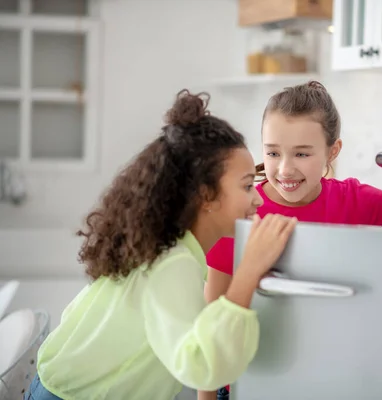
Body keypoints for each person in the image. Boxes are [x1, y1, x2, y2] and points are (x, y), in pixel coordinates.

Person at [24, 89, 297, 400]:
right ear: (205, 195)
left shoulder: (160, 247)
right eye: (247, 186)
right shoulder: (174, 263)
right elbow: (199, 366)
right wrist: (247, 273)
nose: (257, 199)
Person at [199, 81, 382, 400]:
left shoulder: (353, 200)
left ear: (333, 151)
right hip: (247, 384)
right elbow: (211, 328)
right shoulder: (237, 214)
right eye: (273, 152)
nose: (285, 169)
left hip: (327, 379)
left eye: (302, 153)